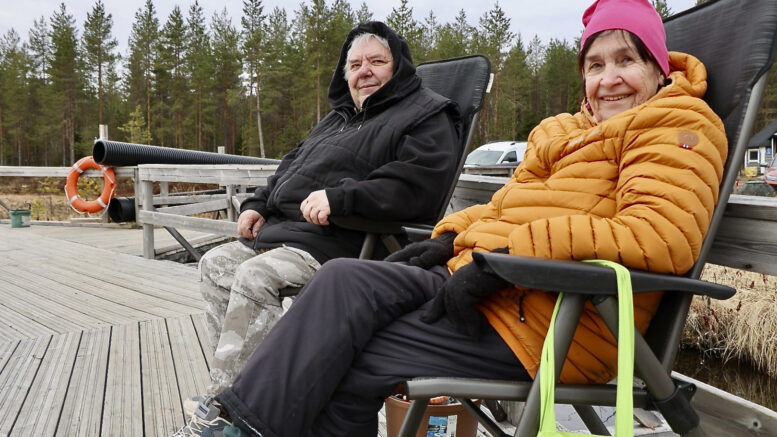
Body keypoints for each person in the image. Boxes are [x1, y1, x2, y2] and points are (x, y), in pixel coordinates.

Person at [175, 0, 728, 435]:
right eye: (595, 64)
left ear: (658, 66)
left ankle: (243, 427)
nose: (609, 79)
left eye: (627, 60)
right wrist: (446, 237)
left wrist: (507, 258)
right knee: (343, 282)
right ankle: (242, 418)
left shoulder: (678, 126)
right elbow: (504, 205)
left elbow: (659, 237)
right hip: (489, 285)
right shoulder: (561, 132)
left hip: (557, 317)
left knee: (348, 359)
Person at [195, 21, 461, 396]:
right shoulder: (338, 118)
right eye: (354, 65)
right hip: (291, 232)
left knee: (255, 277)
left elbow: (419, 186)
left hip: (351, 241)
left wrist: (340, 198)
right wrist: (257, 203)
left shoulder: (426, 114)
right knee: (214, 264)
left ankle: (247, 405)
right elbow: (291, 166)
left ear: (398, 65)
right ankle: (232, 391)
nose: (363, 71)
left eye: (376, 61)